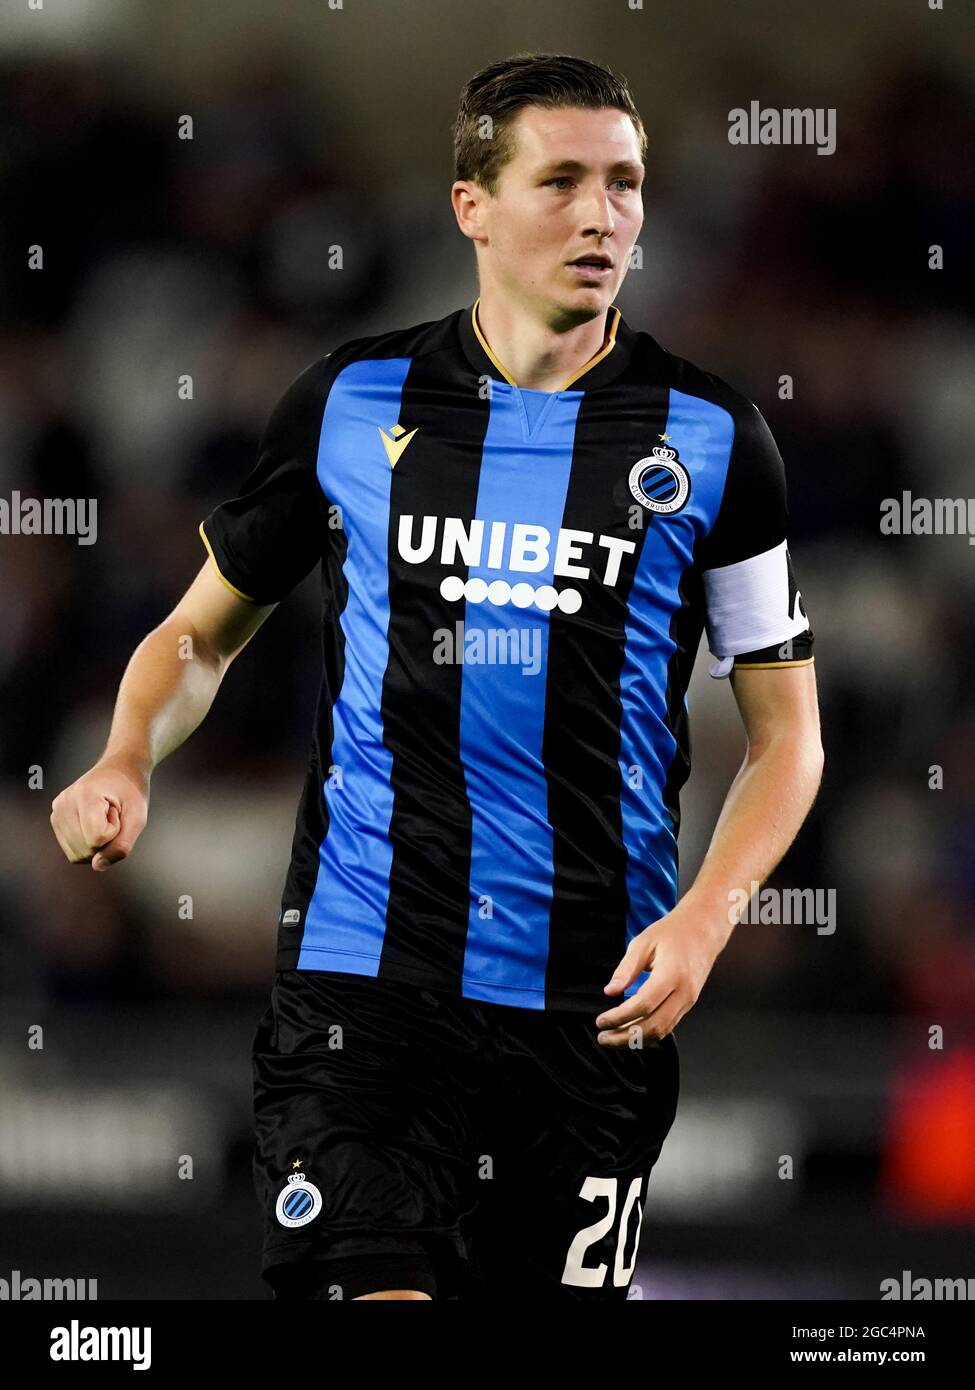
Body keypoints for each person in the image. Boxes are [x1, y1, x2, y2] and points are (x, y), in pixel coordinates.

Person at [50, 52, 824, 1301]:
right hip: (368, 978)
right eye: (561, 179)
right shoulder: (352, 404)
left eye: (624, 183)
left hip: (593, 998)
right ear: (471, 204)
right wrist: (129, 751)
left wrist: (709, 913)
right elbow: (200, 633)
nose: (602, 215)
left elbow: (789, 734)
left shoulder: (716, 437)